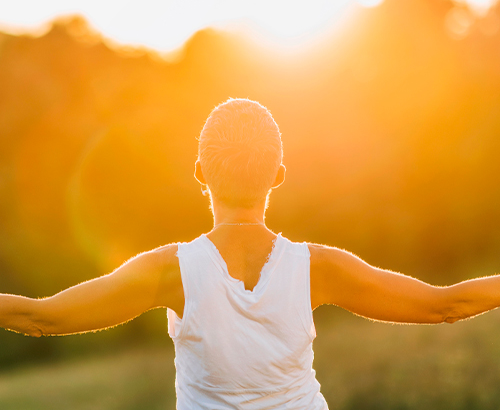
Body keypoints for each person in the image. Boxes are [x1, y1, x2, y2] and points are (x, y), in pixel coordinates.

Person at [1, 98, 500, 409]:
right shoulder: (318, 269)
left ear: (201, 172)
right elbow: (446, 304)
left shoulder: (170, 271)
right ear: (277, 174)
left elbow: (39, 317)